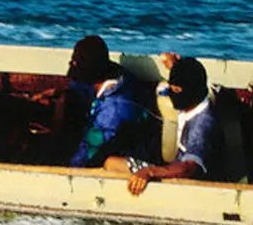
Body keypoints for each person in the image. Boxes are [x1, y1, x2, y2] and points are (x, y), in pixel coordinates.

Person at [103, 57, 223, 196]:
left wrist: (149, 172)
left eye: (176, 90)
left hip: (186, 182)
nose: (172, 95)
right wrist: (174, 66)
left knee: (112, 165)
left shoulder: (202, 126)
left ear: (190, 91)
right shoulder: (194, 100)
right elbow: (176, 86)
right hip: (173, 164)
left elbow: (189, 168)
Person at [65, 35, 150, 168]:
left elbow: (90, 151)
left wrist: (68, 167)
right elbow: (80, 86)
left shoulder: (112, 112)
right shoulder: (117, 77)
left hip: (116, 153)